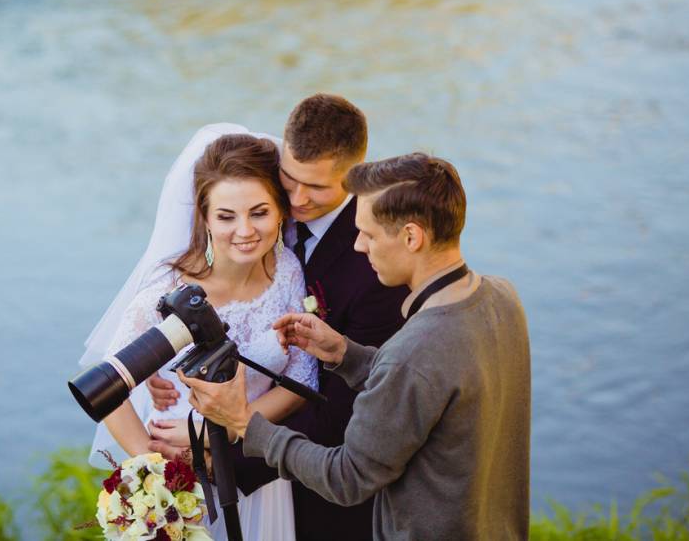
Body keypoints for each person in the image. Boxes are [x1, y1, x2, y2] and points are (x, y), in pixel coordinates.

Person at [179, 153, 532, 541]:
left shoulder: (413, 352)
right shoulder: (501, 297)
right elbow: (429, 384)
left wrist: (245, 422)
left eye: (368, 234)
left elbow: (346, 478)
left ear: (412, 237)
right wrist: (345, 353)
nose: (360, 246)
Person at [146, 94, 407, 541]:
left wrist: (218, 449)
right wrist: (160, 363)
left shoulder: (377, 270)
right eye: (289, 178)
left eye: (318, 188)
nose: (298, 199)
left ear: (355, 177)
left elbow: (344, 414)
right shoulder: (261, 208)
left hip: (311, 489)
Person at [80, 127, 317, 541]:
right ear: (205, 217)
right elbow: (106, 387)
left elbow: (301, 381)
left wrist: (219, 431)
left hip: (258, 473)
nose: (244, 230)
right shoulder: (169, 290)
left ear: (281, 211)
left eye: (258, 212)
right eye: (226, 216)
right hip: (183, 479)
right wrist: (153, 469)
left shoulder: (289, 274)